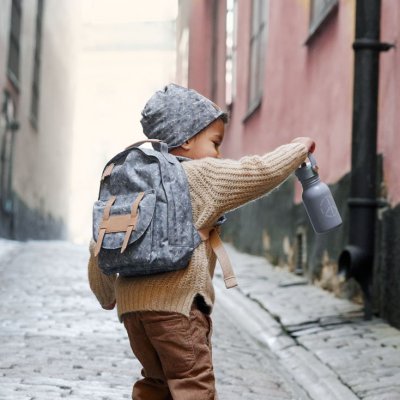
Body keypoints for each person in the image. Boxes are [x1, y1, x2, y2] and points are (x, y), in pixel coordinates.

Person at [88, 83, 315, 400]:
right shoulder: (198, 175)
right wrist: (297, 149)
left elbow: (101, 243)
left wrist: (107, 294)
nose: (219, 153)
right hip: (178, 309)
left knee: (155, 383)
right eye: (215, 142)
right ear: (186, 140)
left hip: (132, 312)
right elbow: (257, 172)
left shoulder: (132, 180)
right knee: (192, 382)